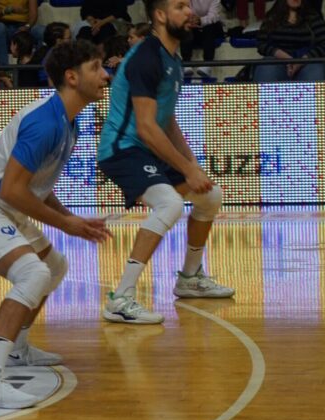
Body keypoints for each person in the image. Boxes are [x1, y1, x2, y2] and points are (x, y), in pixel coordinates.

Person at [0, 40, 111, 409]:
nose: (105, 75)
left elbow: (36, 187)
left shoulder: (68, 121)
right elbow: (13, 189)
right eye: (97, 67)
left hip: (0, 204)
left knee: (54, 266)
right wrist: (67, 225)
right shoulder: (44, 123)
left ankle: (17, 349)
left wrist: (70, 218)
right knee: (33, 274)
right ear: (71, 77)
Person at [97, 0, 235, 325]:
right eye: (180, 6)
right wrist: (187, 169)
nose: (190, 12)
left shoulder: (171, 55)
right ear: (160, 16)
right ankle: (121, 298)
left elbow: (167, 119)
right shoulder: (146, 56)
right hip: (122, 148)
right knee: (170, 205)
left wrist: (192, 163)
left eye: (188, 6)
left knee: (209, 197)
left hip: (147, 146)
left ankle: (190, 278)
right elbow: (146, 127)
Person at [253, 0, 325, 82]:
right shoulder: (272, 16)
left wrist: (302, 60)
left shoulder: (313, 17)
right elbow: (261, 43)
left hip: (307, 61)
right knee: (267, 70)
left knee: (315, 72)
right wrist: (284, 57)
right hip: (277, 60)